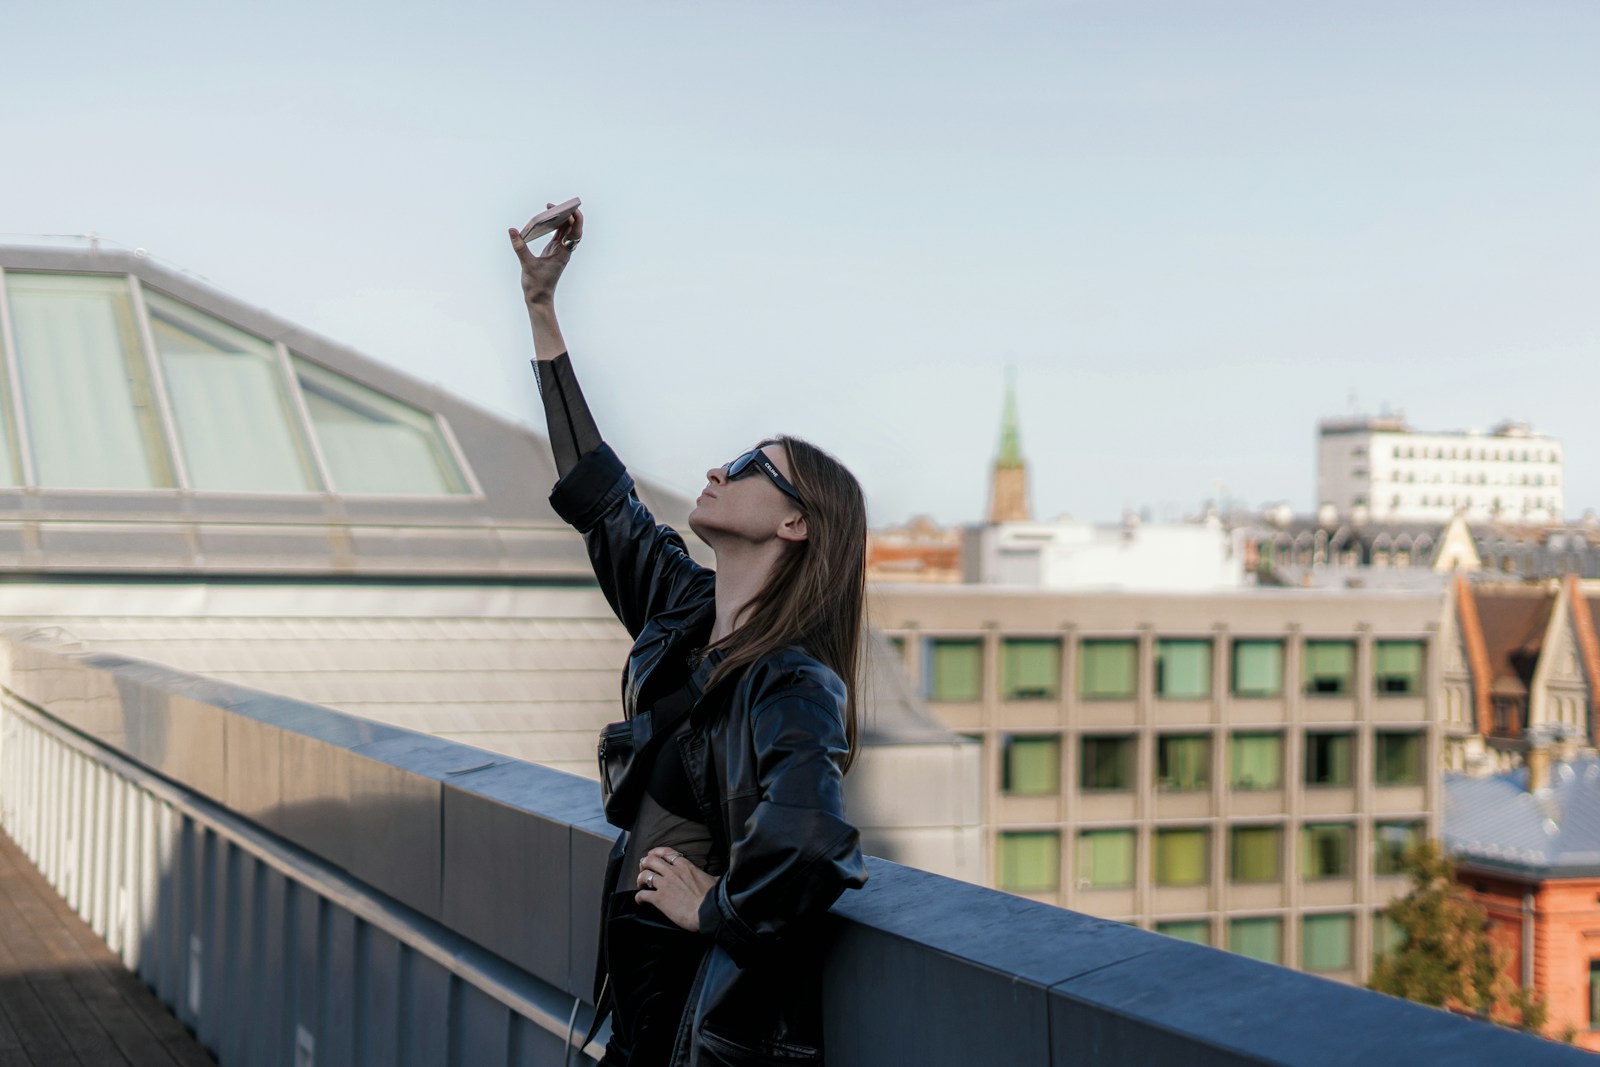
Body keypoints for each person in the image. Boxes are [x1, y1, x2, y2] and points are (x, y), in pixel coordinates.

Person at [508, 207, 869, 1067]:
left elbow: (813, 840)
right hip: (634, 1020)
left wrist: (716, 907)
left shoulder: (791, 683)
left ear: (795, 524)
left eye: (750, 465)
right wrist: (541, 309)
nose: (718, 467)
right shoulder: (680, 609)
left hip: (700, 1036)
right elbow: (601, 496)